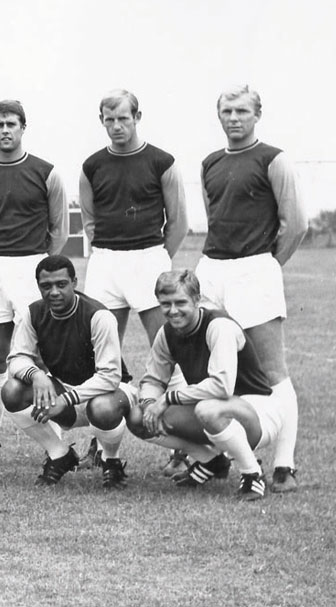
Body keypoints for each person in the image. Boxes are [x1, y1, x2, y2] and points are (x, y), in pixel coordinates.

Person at [195, 85, 307, 493]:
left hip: (255, 267)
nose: (234, 118)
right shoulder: (209, 163)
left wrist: (265, 266)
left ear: (257, 114)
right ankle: (218, 455)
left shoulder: (273, 159)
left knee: (272, 372)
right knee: (211, 363)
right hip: (213, 267)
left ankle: (284, 464)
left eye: (242, 110)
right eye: (227, 110)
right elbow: (213, 218)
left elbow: (295, 225)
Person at [78, 90, 188, 475]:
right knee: (99, 353)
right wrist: (107, 253)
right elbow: (90, 221)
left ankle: (181, 445)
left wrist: (156, 258)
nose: (116, 126)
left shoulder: (162, 161)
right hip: (106, 260)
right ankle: (99, 440)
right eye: (109, 120)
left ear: (138, 115)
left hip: (149, 257)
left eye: (123, 118)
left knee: (171, 348)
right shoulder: (92, 165)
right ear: (102, 120)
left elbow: (179, 222)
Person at [0, 100, 68, 467]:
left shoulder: (46, 172)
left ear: (23, 127)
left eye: (11, 124)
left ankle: (56, 440)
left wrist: (37, 263)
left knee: (39, 354)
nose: (5, 130)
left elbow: (59, 230)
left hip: (32, 263)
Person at [130, 270, 287, 501]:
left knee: (208, 409)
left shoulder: (218, 326)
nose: (173, 311)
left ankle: (252, 474)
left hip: (258, 411)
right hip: (215, 409)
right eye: (165, 304)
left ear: (197, 299)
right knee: (137, 417)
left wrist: (167, 399)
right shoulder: (167, 333)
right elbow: (153, 379)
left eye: (180, 302)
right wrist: (150, 404)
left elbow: (221, 387)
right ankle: (212, 461)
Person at [1, 255, 134, 488]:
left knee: (102, 408)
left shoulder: (99, 316)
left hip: (110, 394)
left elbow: (110, 376)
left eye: (61, 284)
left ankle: (110, 461)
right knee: (12, 390)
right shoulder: (33, 313)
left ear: (74, 282)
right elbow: (16, 358)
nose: (54, 292)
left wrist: (66, 399)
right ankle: (59, 454)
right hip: (65, 392)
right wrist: (37, 375)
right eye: (46, 286)